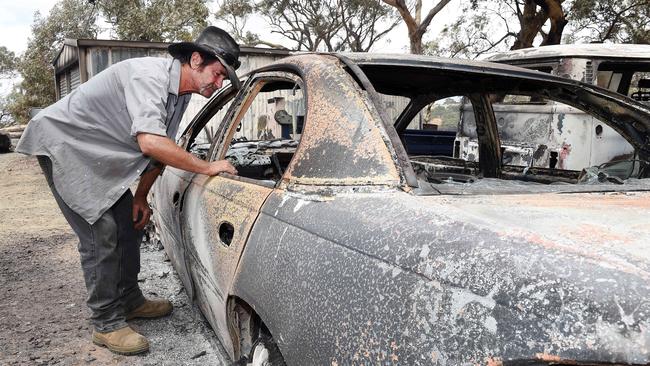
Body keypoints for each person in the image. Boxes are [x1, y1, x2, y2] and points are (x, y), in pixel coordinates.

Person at [16, 26, 240, 355]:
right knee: (100, 232)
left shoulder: (179, 95)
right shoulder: (148, 76)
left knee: (127, 222)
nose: (218, 84)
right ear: (195, 60)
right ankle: (105, 323)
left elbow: (158, 152)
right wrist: (206, 167)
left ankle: (130, 299)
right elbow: (150, 141)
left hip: (97, 155)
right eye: (218, 74)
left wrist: (140, 197)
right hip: (63, 145)